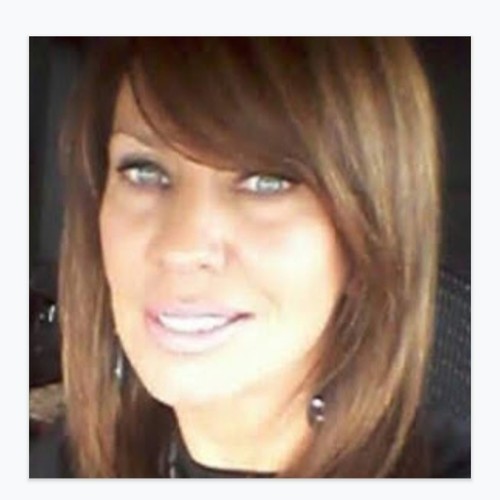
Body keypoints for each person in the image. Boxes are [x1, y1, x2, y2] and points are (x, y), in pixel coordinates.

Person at [30, 37, 470, 478]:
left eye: (267, 182)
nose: (182, 247)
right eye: (144, 171)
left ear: (367, 239)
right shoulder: (65, 464)